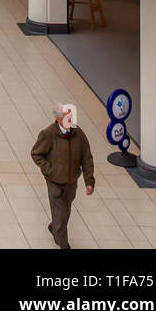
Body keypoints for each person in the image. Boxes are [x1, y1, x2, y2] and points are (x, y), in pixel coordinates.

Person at [31, 104, 95, 249]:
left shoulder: (79, 134)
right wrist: (49, 170)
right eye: (67, 117)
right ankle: (63, 244)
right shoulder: (48, 134)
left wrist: (89, 181)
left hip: (71, 181)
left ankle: (54, 227)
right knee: (60, 214)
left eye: (71, 116)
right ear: (59, 119)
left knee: (65, 212)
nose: (70, 119)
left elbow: (87, 158)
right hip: (54, 181)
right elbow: (36, 153)